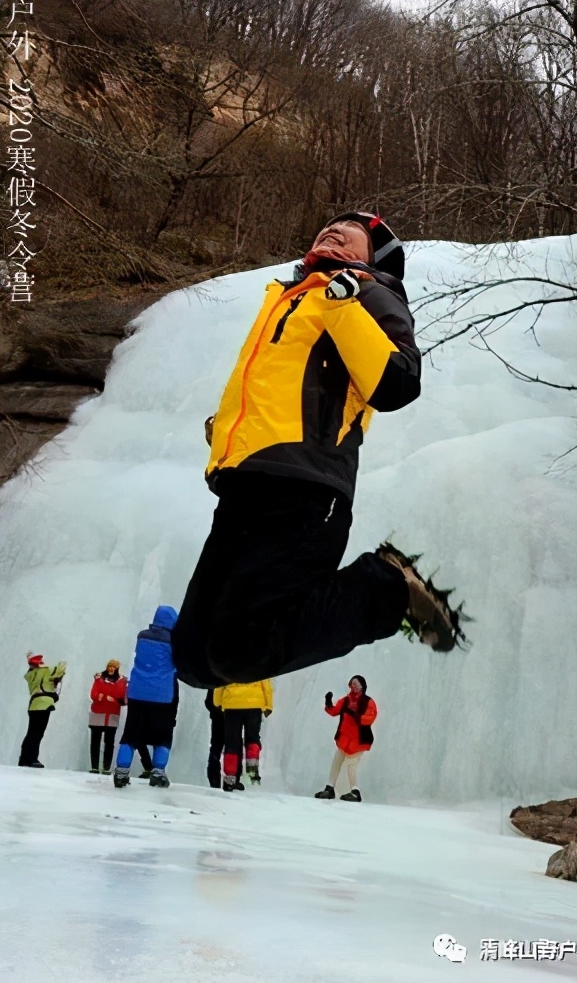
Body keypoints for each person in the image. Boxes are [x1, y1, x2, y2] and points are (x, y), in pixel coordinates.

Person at [172, 211, 466, 691]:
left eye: (351, 233)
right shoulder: (288, 298)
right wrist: (226, 431)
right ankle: (378, 592)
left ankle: (388, 590)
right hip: (245, 486)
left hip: (305, 488)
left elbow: (397, 382)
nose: (333, 229)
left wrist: (345, 304)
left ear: (372, 258)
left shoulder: (369, 291)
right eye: (328, 225)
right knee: (193, 659)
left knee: (240, 652)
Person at [113, 606, 179, 789]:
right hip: (162, 695)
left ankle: (121, 772)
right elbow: (178, 664)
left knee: (131, 733)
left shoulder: (142, 636)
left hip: (137, 691)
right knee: (163, 734)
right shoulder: (174, 641)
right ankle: (158, 772)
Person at [315, 675, 377, 803]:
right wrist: (328, 703)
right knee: (336, 762)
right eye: (352, 683)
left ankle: (355, 791)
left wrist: (357, 716)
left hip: (358, 740)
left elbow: (370, 717)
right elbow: (334, 711)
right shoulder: (346, 700)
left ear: (362, 686)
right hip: (344, 738)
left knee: (351, 765)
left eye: (357, 684)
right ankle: (330, 788)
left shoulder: (368, 702)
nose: (354, 686)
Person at [212, 679, 273, 791]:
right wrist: (268, 705)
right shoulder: (259, 660)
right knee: (252, 737)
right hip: (254, 703)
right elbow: (265, 680)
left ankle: (230, 779)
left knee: (232, 742)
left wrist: (217, 702)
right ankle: (252, 771)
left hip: (232, 704)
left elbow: (220, 679)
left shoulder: (226, 660)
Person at [18, 653, 66, 767]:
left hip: (34, 704)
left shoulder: (30, 674)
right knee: (38, 733)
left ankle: (24, 758)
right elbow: (61, 669)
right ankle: (32, 759)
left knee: (31, 733)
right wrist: (63, 661)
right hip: (44, 704)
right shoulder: (45, 670)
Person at [88, 659, 127, 774]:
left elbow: (123, 698)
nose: (111, 669)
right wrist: (101, 697)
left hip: (112, 716)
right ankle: (94, 766)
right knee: (95, 741)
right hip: (98, 714)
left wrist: (114, 699)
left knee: (109, 743)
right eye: (110, 666)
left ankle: (106, 767)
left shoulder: (122, 681)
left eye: (113, 667)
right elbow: (94, 694)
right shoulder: (99, 679)